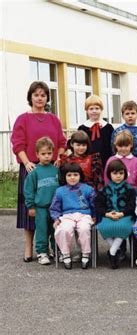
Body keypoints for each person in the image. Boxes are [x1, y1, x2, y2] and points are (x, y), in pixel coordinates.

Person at [11, 81, 66, 262]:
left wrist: (59, 158)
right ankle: (29, 248)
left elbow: (61, 143)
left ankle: (50, 248)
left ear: (47, 98)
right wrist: (27, 163)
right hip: (31, 168)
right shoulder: (22, 119)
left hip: (51, 169)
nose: (39, 98)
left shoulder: (53, 119)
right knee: (31, 211)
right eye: (36, 95)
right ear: (30, 97)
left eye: (43, 95)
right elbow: (18, 143)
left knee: (50, 211)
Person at [50, 163, 96, 270]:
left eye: (75, 175)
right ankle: (65, 254)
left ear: (80, 176)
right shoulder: (60, 191)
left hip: (84, 214)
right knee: (64, 229)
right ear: (64, 176)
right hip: (67, 215)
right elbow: (55, 207)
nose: (72, 178)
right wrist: (56, 218)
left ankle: (85, 253)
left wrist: (95, 215)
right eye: (69, 175)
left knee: (84, 229)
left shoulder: (88, 189)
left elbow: (95, 204)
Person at [23, 137, 60, 265]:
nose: (46, 156)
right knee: (42, 230)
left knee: (56, 230)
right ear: (37, 154)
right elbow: (28, 191)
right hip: (41, 208)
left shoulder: (56, 170)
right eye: (43, 154)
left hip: (55, 208)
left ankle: (56, 251)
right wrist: (31, 206)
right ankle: (42, 252)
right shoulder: (34, 172)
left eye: (49, 153)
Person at [96, 160, 136, 269]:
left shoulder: (130, 189)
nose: (118, 176)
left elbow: (132, 206)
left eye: (121, 173)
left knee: (122, 226)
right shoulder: (104, 189)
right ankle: (117, 250)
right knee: (103, 227)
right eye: (115, 173)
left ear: (125, 174)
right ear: (109, 174)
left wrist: (122, 213)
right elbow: (99, 205)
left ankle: (112, 252)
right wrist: (107, 214)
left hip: (125, 215)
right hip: (109, 215)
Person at [78, 95, 114, 166]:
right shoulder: (82, 128)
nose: (94, 111)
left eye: (97, 108)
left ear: (101, 109)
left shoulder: (108, 127)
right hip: (87, 163)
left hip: (106, 161)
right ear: (86, 110)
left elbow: (112, 146)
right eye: (91, 109)